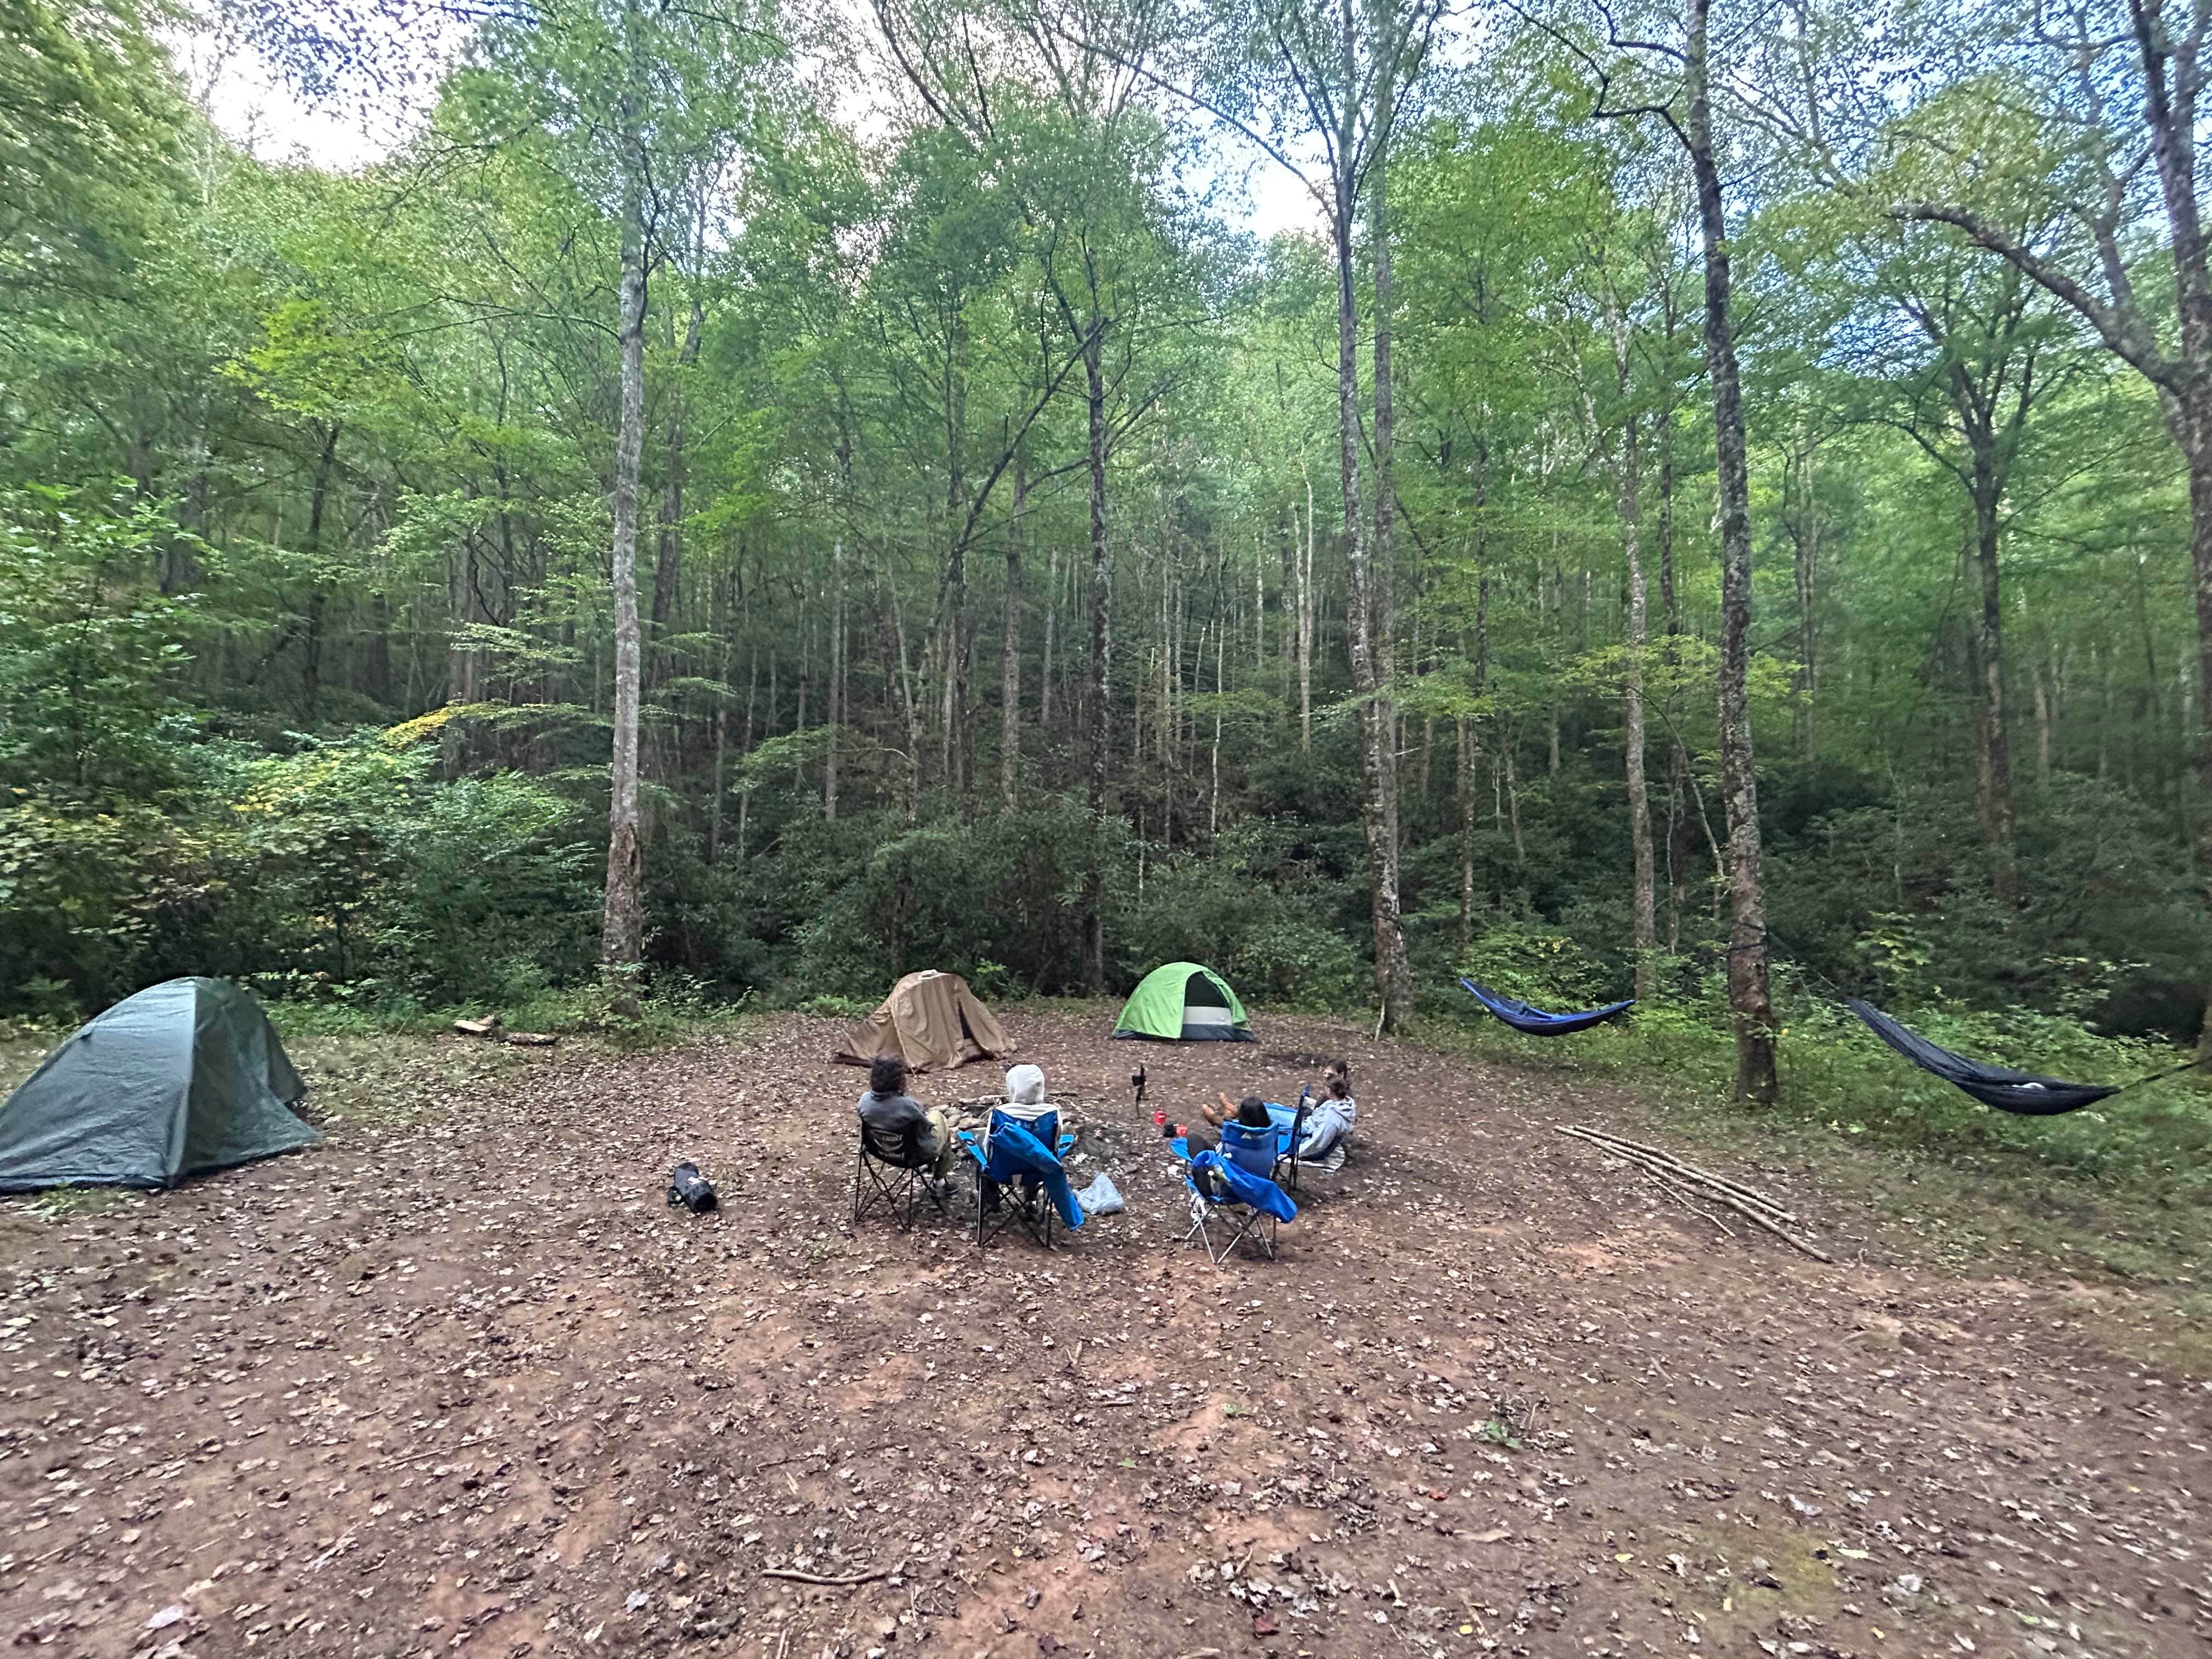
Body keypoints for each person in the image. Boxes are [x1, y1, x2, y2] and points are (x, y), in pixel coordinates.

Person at [855, 1054, 954, 1190]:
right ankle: (940, 1181)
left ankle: (932, 1169)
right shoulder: (907, 1106)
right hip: (911, 1156)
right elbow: (926, 1129)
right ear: (900, 1079)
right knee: (939, 1119)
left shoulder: (864, 1101)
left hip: (878, 1151)